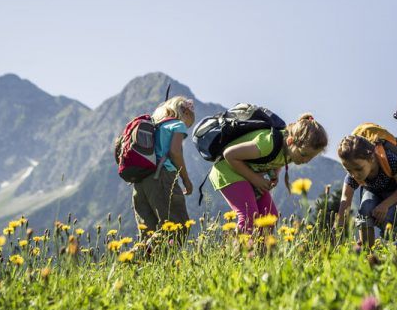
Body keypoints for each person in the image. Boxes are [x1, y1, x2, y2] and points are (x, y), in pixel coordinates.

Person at [209, 113, 328, 233]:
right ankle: (238, 250)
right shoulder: (268, 143)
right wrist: (255, 179)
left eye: (311, 158)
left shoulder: (292, 153)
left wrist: (274, 174)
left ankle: (261, 251)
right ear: (290, 141)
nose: (306, 161)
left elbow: (275, 160)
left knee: (270, 217)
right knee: (249, 216)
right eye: (304, 155)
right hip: (227, 170)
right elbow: (229, 154)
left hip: (248, 173)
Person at [335, 135, 397, 248]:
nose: (354, 174)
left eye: (358, 169)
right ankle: (368, 252)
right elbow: (345, 199)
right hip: (375, 192)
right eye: (349, 170)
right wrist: (338, 226)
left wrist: (385, 205)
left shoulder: (389, 160)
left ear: (371, 158)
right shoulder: (354, 172)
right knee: (364, 211)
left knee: (387, 221)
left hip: (396, 193)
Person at [132, 96, 195, 231]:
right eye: (190, 123)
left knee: (149, 232)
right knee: (177, 228)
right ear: (186, 113)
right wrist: (186, 180)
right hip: (162, 177)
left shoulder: (155, 126)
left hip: (140, 181)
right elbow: (175, 152)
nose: (187, 127)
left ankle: (138, 253)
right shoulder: (177, 124)